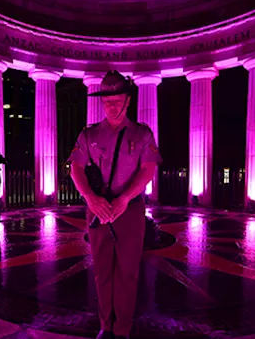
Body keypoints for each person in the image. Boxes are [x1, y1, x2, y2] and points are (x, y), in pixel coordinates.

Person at [68, 71, 162, 339]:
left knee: (127, 272)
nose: (111, 105)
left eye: (116, 100)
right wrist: (90, 198)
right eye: (106, 101)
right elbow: (75, 168)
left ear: (127, 101)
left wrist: (124, 199)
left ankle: (122, 329)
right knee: (102, 271)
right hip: (97, 209)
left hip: (129, 209)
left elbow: (147, 170)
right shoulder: (89, 134)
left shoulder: (142, 133)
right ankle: (105, 326)